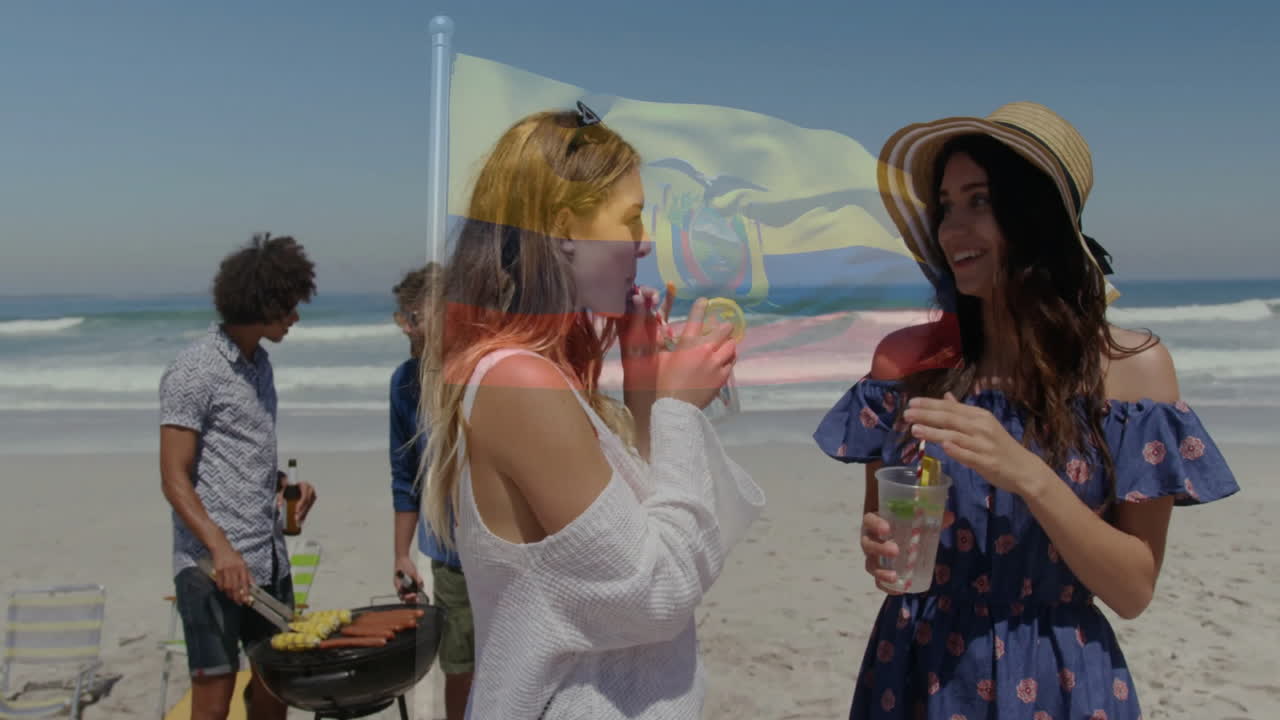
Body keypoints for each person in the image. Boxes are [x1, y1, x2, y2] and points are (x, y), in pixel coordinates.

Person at [814, 102, 1240, 720]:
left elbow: (1131, 589)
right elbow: (890, 547)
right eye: (946, 206)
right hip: (918, 670)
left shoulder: (1131, 370)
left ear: (1036, 216)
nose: (952, 230)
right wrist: (879, 549)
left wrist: (1029, 474)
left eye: (979, 201)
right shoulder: (906, 365)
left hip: (1060, 675)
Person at [419, 103, 765, 719]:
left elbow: (634, 544)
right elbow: (657, 591)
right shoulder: (518, 381)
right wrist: (680, 412)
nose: (645, 241)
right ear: (563, 232)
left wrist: (644, 392)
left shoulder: (541, 376)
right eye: (630, 219)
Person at [159, 232, 319, 720]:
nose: (295, 316)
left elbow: (235, 456)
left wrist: (284, 487)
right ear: (263, 303)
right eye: (289, 306)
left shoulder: (261, 366)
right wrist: (220, 547)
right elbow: (173, 476)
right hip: (210, 565)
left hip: (267, 557)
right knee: (213, 696)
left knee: (277, 685)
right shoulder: (194, 370)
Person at [388, 261, 474, 720]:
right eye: (408, 318)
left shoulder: (483, 370)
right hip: (449, 554)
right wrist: (403, 555)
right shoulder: (404, 384)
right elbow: (405, 478)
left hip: (506, 549)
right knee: (459, 666)